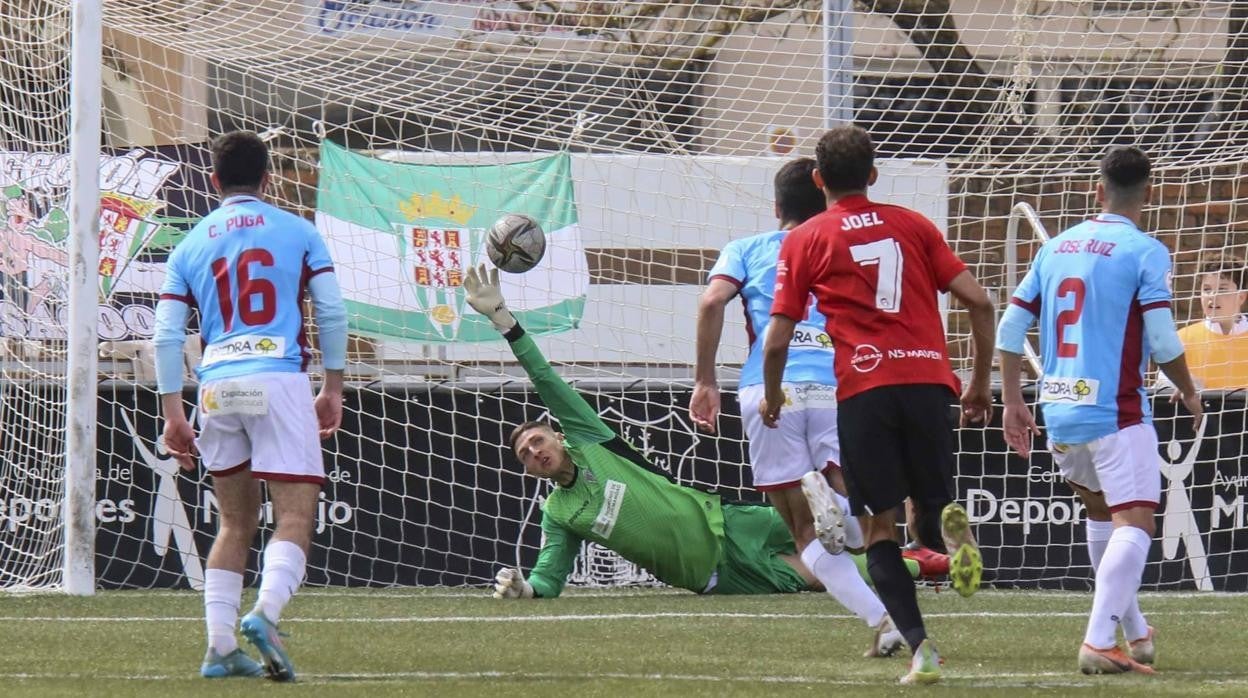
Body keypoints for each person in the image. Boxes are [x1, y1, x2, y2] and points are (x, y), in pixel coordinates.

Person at [463, 264, 924, 657]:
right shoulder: (559, 514)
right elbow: (549, 577)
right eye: (526, 454)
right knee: (817, 569)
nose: (535, 452)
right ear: (527, 469)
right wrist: (526, 590)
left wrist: (506, 322)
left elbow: (545, 379)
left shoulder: (592, 439)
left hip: (727, 518)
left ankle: (898, 544)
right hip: (718, 571)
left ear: (559, 436)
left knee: (829, 535)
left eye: (538, 440)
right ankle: (926, 563)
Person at [760, 125, 996, 685]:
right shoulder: (914, 225)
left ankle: (921, 652)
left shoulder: (805, 239)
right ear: (873, 174)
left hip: (865, 390)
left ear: (818, 181)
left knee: (880, 528)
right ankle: (952, 534)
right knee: (931, 509)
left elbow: (775, 339)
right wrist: (980, 384)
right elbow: (982, 303)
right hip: (929, 382)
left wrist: (773, 396)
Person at [690, 156, 939, 656]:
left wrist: (705, 380)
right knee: (866, 513)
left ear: (777, 205)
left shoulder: (747, 248)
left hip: (770, 385)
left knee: (803, 531)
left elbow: (712, 302)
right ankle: (850, 519)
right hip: (837, 384)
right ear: (823, 194)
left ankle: (880, 618)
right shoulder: (838, 238)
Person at [997, 146, 1202, 676]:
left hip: (1060, 410)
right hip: (1116, 411)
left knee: (1101, 516)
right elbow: (1160, 337)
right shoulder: (1145, 250)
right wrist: (1189, 390)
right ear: (1148, 195)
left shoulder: (1057, 248)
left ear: (1097, 190)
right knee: (1136, 524)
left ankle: (1135, 632)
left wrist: (1015, 400)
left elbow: (1009, 330)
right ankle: (1097, 641)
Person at [153, 130, 348, 682]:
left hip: (216, 387)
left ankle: (219, 649)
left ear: (214, 182)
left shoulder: (190, 244)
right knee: (293, 517)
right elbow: (331, 313)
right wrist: (332, 387)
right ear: (269, 178)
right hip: (278, 378)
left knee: (233, 522)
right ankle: (264, 615)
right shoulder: (299, 231)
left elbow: (166, 337)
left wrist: (173, 413)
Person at [1173, 254, 1248, 390]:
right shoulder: (1182, 339)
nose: (1212, 296)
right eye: (1207, 289)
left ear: (1241, 296)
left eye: (1222, 289)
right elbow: (1164, 392)